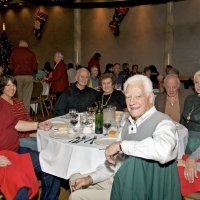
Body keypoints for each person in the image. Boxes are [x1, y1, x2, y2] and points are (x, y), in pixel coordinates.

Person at [69, 75, 181, 200]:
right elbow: (116, 164)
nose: (132, 102)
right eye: (128, 97)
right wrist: (90, 179)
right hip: (118, 179)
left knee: (76, 196)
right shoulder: (128, 124)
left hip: (136, 191)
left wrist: (121, 145)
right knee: (75, 178)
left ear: (150, 98)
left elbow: (164, 152)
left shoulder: (163, 123)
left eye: (138, 96)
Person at [0, 92, 61, 199]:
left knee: (52, 165)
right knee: (20, 186)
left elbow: (17, 124)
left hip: (16, 151)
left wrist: (38, 125)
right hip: (3, 158)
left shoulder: (3, 104)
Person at [0, 75, 37, 151]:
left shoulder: (18, 101)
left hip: (29, 133)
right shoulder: (2, 104)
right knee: (43, 146)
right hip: (18, 139)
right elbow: (10, 127)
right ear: (2, 87)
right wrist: (30, 134)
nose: (12, 88)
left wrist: (36, 131)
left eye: (13, 85)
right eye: (8, 85)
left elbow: (28, 118)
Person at [178, 70, 200, 196]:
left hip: (197, 150)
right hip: (187, 142)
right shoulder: (190, 98)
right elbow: (182, 122)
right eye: (197, 82)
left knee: (181, 173)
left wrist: (191, 159)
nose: (199, 85)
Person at [9, 40, 38, 112]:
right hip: (28, 77)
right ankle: (26, 117)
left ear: (19, 45)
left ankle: (19, 116)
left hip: (17, 77)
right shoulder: (31, 53)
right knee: (27, 99)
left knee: (18, 98)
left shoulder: (14, 53)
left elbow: (11, 66)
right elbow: (35, 67)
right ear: (26, 45)